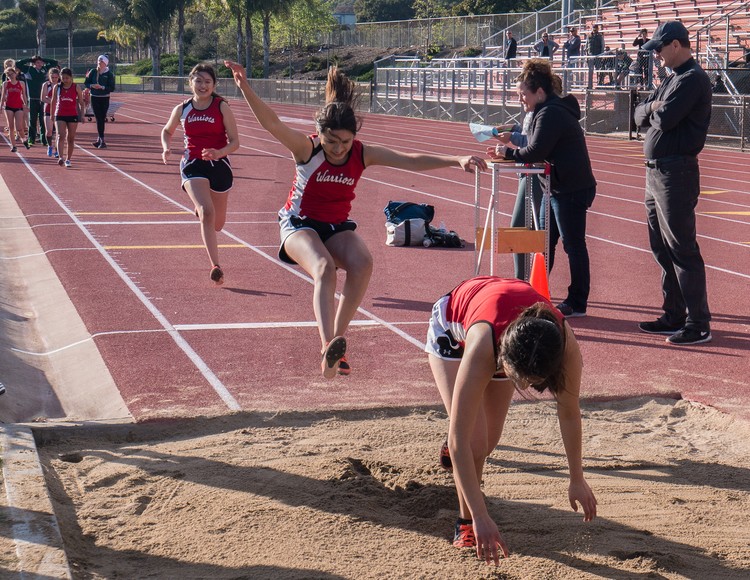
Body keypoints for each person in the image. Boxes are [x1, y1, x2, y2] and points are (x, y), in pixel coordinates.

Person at [224, 59, 487, 379]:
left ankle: (337, 344)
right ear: (320, 134)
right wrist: (244, 86)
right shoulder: (306, 149)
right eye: (332, 142)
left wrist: (456, 159)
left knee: (363, 263)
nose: (338, 149)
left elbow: (410, 161)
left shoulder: (362, 153)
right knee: (323, 267)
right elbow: (273, 124)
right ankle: (327, 344)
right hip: (299, 224)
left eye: (345, 142)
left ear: (354, 137)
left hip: (335, 227)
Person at [426, 276, 597, 563]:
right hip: (454, 327)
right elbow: (460, 444)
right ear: (505, 358)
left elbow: (568, 411)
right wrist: (480, 516)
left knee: (488, 441)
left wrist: (577, 478)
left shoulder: (565, 347)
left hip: (508, 331)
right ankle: (464, 522)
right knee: (473, 443)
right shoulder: (483, 346)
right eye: (520, 379)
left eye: (533, 381)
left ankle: (462, 435)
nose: (527, 387)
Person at [487, 59, 597, 318]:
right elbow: (535, 146)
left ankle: (577, 301)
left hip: (571, 187)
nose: (520, 99)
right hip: (559, 186)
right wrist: (512, 150)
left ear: (539, 92)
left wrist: (508, 152)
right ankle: (535, 292)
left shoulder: (550, 113)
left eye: (523, 94)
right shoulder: (545, 112)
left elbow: (537, 150)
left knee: (573, 244)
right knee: (545, 242)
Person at [634, 21, 713, 345]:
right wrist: (654, 107)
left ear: (676, 45)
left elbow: (663, 119)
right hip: (657, 173)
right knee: (661, 248)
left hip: (675, 174)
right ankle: (674, 315)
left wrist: (653, 110)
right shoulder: (672, 80)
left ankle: (698, 323)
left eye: (660, 49)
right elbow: (638, 115)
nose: (657, 56)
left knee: (681, 248)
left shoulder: (693, 79)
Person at [161, 63, 240, 286]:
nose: (202, 85)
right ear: (190, 82)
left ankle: (203, 207)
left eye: (207, 81)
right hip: (192, 163)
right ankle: (215, 265)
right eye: (198, 81)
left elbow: (235, 141)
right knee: (206, 212)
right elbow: (167, 130)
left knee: (217, 224)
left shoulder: (221, 107)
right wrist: (166, 146)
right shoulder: (182, 109)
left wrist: (219, 152)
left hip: (219, 165)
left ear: (214, 85)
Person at [15, 54, 58, 147]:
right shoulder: (29, 70)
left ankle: (44, 140)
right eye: (37, 63)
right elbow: (18, 64)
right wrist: (31, 59)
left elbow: (55, 62)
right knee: (32, 121)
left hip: (44, 99)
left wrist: (43, 59)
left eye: (41, 62)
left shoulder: (45, 69)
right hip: (33, 99)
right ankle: (31, 139)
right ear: (34, 63)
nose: (39, 64)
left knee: (43, 121)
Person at [49, 67, 85, 168]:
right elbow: (53, 101)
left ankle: (68, 159)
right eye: (63, 78)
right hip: (60, 114)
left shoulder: (76, 87)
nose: (65, 80)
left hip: (72, 115)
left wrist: (82, 115)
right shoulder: (57, 87)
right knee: (60, 135)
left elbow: (82, 103)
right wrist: (52, 114)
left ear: (71, 77)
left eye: (67, 78)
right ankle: (60, 157)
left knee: (71, 138)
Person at [84, 54, 116, 148]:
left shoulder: (109, 74)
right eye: (98, 61)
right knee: (98, 118)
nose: (99, 63)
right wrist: (92, 86)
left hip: (105, 97)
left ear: (105, 63)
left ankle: (100, 139)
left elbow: (112, 88)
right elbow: (86, 82)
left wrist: (102, 87)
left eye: (101, 61)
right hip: (94, 97)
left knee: (102, 118)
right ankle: (101, 139)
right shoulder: (93, 72)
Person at [1, 67, 30, 152]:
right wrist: (1, 106)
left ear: (15, 73)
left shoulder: (21, 83)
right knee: (11, 127)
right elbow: (3, 96)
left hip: (18, 106)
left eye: (12, 73)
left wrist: (26, 104)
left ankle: (24, 140)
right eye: (8, 74)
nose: (10, 76)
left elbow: (24, 95)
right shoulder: (5, 83)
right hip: (9, 107)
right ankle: (13, 146)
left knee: (19, 127)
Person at [41, 67, 60, 157]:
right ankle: (50, 146)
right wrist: (53, 102)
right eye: (52, 77)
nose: (54, 79)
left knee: (58, 132)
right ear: (49, 77)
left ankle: (57, 149)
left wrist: (56, 103)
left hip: (59, 111)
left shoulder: (61, 85)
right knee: (49, 131)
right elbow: (43, 98)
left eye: (56, 77)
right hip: (48, 110)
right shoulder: (46, 85)